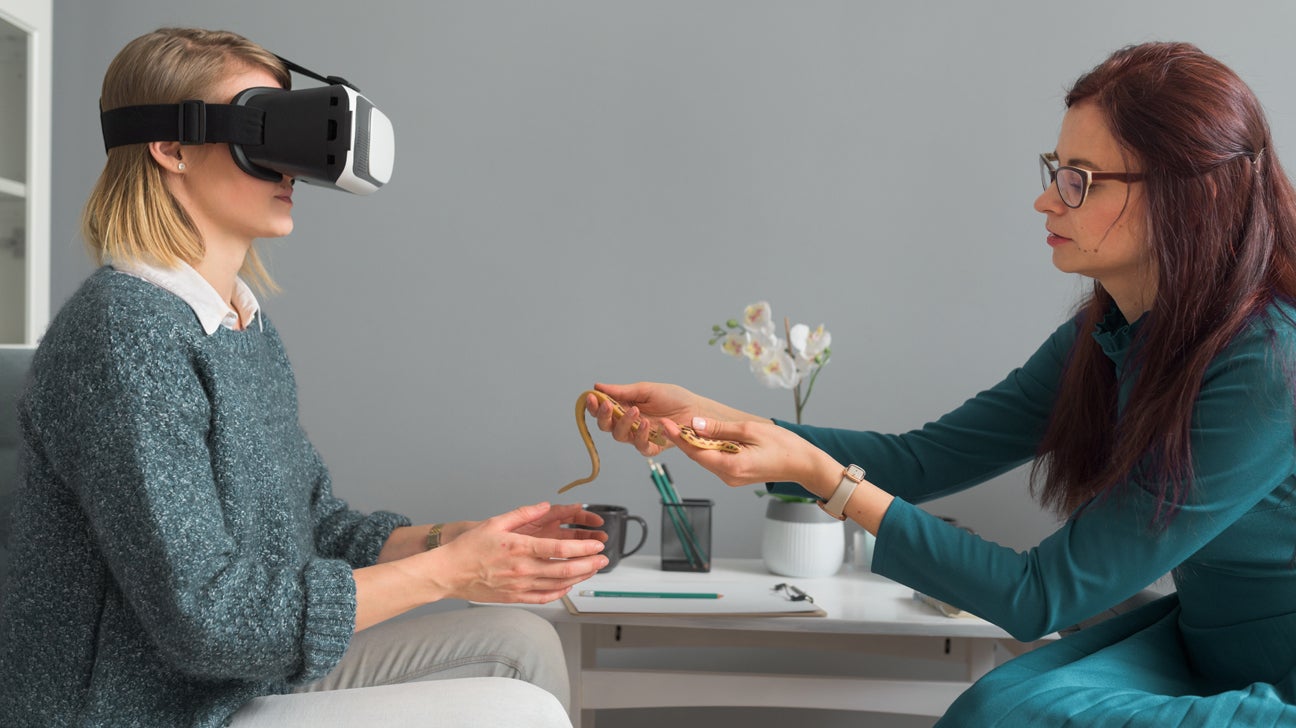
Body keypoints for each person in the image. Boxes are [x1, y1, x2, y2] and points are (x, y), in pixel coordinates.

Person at [589, 42, 1296, 726]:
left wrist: (825, 478)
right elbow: (918, 460)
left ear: (1188, 199)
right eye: (1055, 169)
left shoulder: (1266, 366)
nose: (1047, 202)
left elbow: (1040, 594)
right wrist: (709, 421)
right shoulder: (1108, 334)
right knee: (997, 710)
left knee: (1003, 713)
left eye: (1080, 179)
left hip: (1276, 677)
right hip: (1203, 648)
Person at [0, 27, 607, 728]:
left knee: (522, 644)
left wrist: (463, 540)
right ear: (171, 148)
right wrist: (453, 574)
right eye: (266, 129)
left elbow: (314, 524)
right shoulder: (121, 335)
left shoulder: (238, 324)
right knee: (511, 710)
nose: (291, 166)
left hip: (236, 681)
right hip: (146, 708)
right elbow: (207, 620)